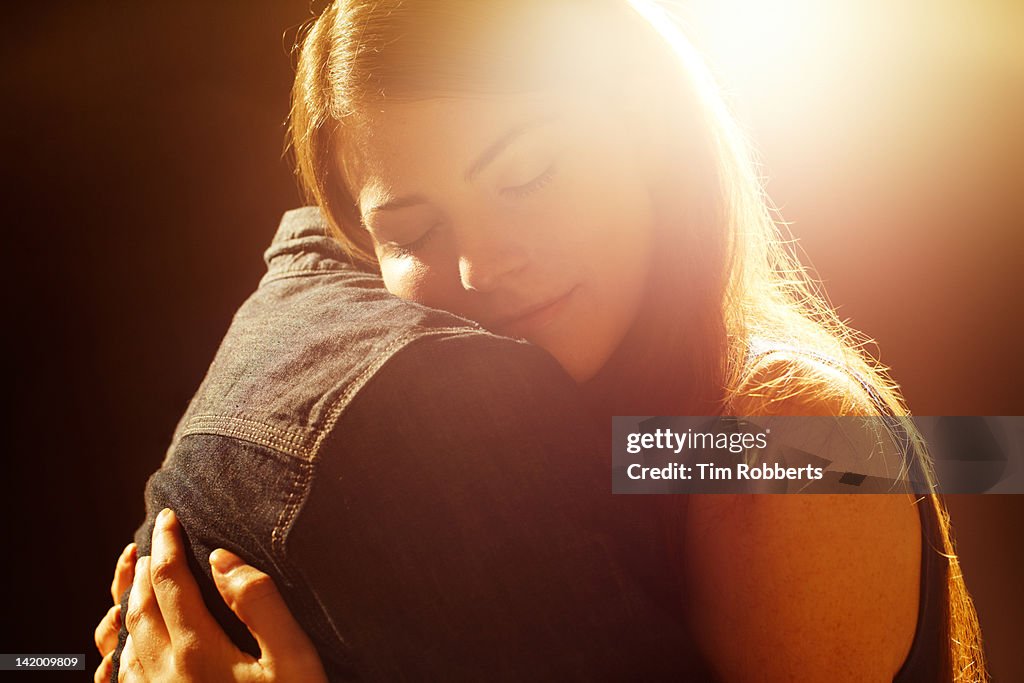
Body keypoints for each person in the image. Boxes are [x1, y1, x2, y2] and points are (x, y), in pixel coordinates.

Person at [94, 0, 989, 680]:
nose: (480, 269)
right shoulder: (533, 440)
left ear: (648, 136)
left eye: (528, 174)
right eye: (412, 233)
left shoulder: (779, 440)